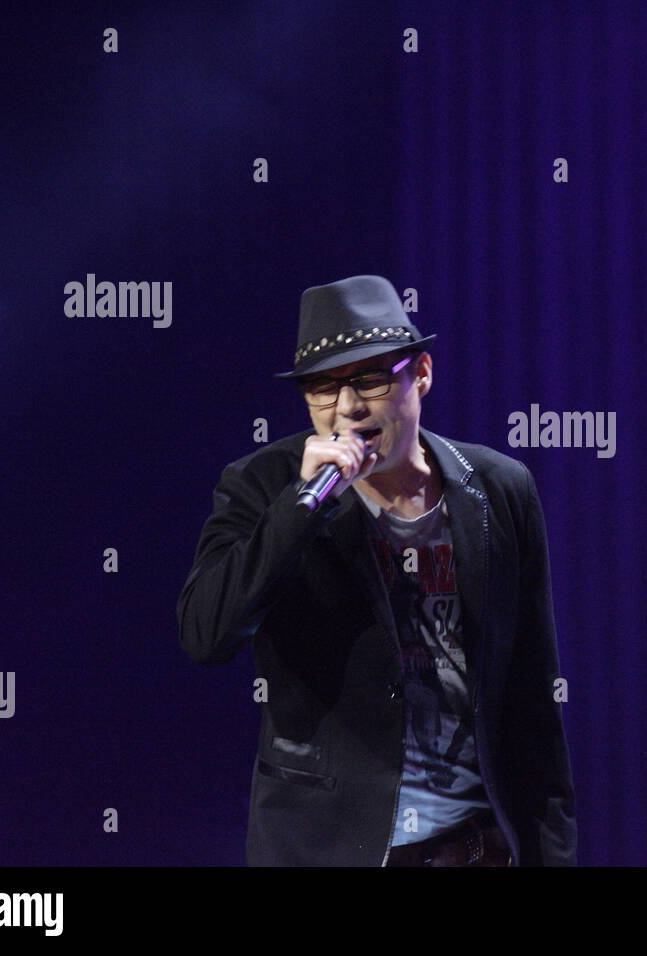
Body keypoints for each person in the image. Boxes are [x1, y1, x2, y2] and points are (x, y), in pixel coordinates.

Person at [176, 275, 576, 866]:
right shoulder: (263, 484)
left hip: (476, 845)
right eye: (321, 389)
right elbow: (206, 634)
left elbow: (532, 691)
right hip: (332, 848)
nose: (346, 408)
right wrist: (299, 509)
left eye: (367, 379)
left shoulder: (497, 487)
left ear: (422, 375)